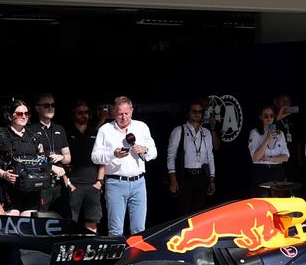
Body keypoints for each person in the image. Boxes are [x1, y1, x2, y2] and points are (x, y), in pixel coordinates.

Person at [90, 96, 155, 238]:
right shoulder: (105, 129)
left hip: (138, 183)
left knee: (139, 229)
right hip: (116, 183)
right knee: (116, 230)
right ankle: (117, 253)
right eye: (120, 114)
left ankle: (137, 252)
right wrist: (113, 154)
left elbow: (154, 152)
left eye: (126, 113)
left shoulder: (141, 127)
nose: (124, 117)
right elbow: (95, 157)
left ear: (132, 111)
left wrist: (144, 149)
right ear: (114, 112)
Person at [0, 99, 59, 213]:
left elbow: (41, 159)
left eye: (26, 113)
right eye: (19, 114)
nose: (24, 116)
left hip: (32, 188)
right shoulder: (0, 134)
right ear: (9, 116)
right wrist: (3, 174)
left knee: (28, 220)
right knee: (13, 217)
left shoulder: (34, 135)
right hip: (9, 188)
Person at [166, 99, 216, 215]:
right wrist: (173, 178)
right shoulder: (179, 130)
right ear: (188, 113)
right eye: (194, 111)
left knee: (200, 212)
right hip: (185, 176)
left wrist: (212, 179)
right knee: (184, 212)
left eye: (200, 112)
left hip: (202, 176)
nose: (197, 114)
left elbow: (210, 157)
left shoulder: (206, 132)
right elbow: (171, 155)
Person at [62, 99, 105, 233]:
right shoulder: (66, 134)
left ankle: (91, 246)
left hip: (93, 184)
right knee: (70, 222)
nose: (84, 115)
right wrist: (67, 182)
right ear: (73, 114)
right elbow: (60, 160)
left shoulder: (96, 133)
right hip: (73, 184)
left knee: (92, 222)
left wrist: (99, 182)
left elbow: (102, 160)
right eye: (80, 112)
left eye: (86, 112)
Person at [247, 105, 290, 193]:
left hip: (277, 171)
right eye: (266, 116)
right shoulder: (255, 133)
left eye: (271, 116)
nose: (269, 118)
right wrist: (267, 139)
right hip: (261, 172)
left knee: (278, 200)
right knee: (262, 199)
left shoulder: (280, 133)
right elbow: (255, 158)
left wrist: (269, 158)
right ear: (261, 117)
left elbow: (286, 157)